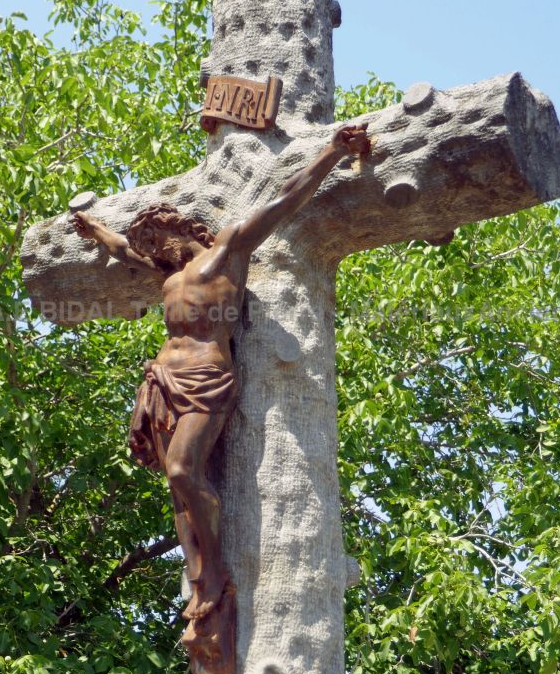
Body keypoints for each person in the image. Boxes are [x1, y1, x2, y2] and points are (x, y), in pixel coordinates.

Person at [72, 123, 369, 622]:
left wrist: (332, 152)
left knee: (182, 470)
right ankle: (198, 580)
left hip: (207, 379)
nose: (153, 250)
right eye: (148, 243)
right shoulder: (168, 277)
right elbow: (122, 251)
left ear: (179, 227)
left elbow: (283, 201)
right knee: (177, 489)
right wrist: (95, 229)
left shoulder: (228, 250)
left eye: (156, 238)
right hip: (162, 383)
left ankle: (214, 574)